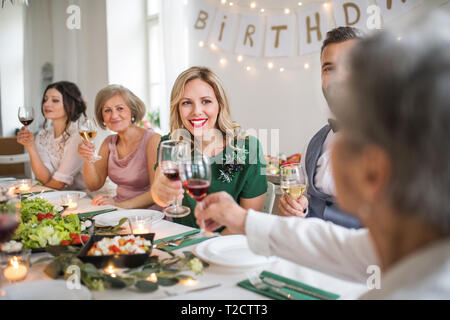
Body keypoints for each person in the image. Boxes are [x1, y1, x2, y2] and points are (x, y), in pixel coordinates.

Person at [195, 12, 450, 299]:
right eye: (329, 68)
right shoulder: (410, 249)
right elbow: (345, 247)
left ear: (374, 170)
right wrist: (244, 218)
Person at [150, 66, 267, 232]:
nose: (197, 111)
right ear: (177, 108)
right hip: (182, 244)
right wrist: (162, 191)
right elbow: (159, 193)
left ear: (219, 104)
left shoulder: (249, 148)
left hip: (228, 246)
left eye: (206, 101)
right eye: (186, 103)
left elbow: (248, 222)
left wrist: (206, 247)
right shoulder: (171, 143)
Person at [278, 27, 362, 229]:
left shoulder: (397, 141)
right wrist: (297, 209)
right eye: (329, 68)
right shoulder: (316, 142)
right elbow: (310, 204)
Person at [78, 85, 161, 209]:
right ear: (102, 116)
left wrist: (118, 205)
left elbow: (157, 192)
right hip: (120, 210)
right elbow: (93, 185)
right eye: (107, 110)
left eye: (120, 108)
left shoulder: (152, 140)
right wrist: (87, 157)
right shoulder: (109, 143)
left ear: (132, 110)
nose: (114, 116)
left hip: (151, 215)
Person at [17, 81, 87, 190]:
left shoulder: (78, 136)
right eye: (45, 99)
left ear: (70, 104)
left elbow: (59, 184)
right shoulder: (43, 135)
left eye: (55, 100)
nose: (46, 104)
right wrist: (30, 147)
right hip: (60, 197)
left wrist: (31, 195)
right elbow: (44, 178)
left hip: (88, 199)